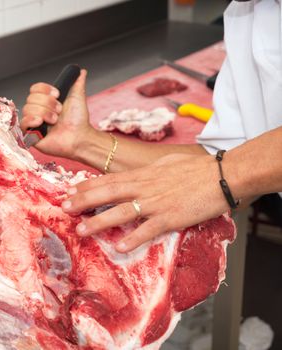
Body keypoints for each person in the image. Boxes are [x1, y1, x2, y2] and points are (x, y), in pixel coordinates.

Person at [20, 0, 282, 253]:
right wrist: (83, 142)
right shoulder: (246, 13)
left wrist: (225, 174)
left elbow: (229, 171)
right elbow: (230, 161)